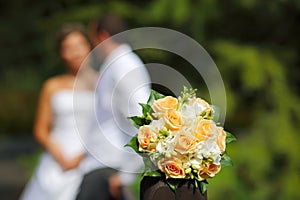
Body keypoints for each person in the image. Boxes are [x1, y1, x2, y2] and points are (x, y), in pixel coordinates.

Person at [76, 14, 151, 200]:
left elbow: (142, 120)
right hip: (102, 166)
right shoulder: (116, 65)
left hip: (109, 169)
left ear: (102, 36)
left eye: (92, 39)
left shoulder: (124, 66)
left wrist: (127, 175)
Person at [19, 23, 95, 200]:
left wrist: (82, 156)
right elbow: (40, 130)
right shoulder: (52, 86)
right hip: (56, 160)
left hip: (90, 158)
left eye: (79, 46)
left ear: (89, 47)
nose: (76, 53)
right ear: (62, 53)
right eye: (69, 48)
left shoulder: (102, 83)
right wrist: (60, 155)